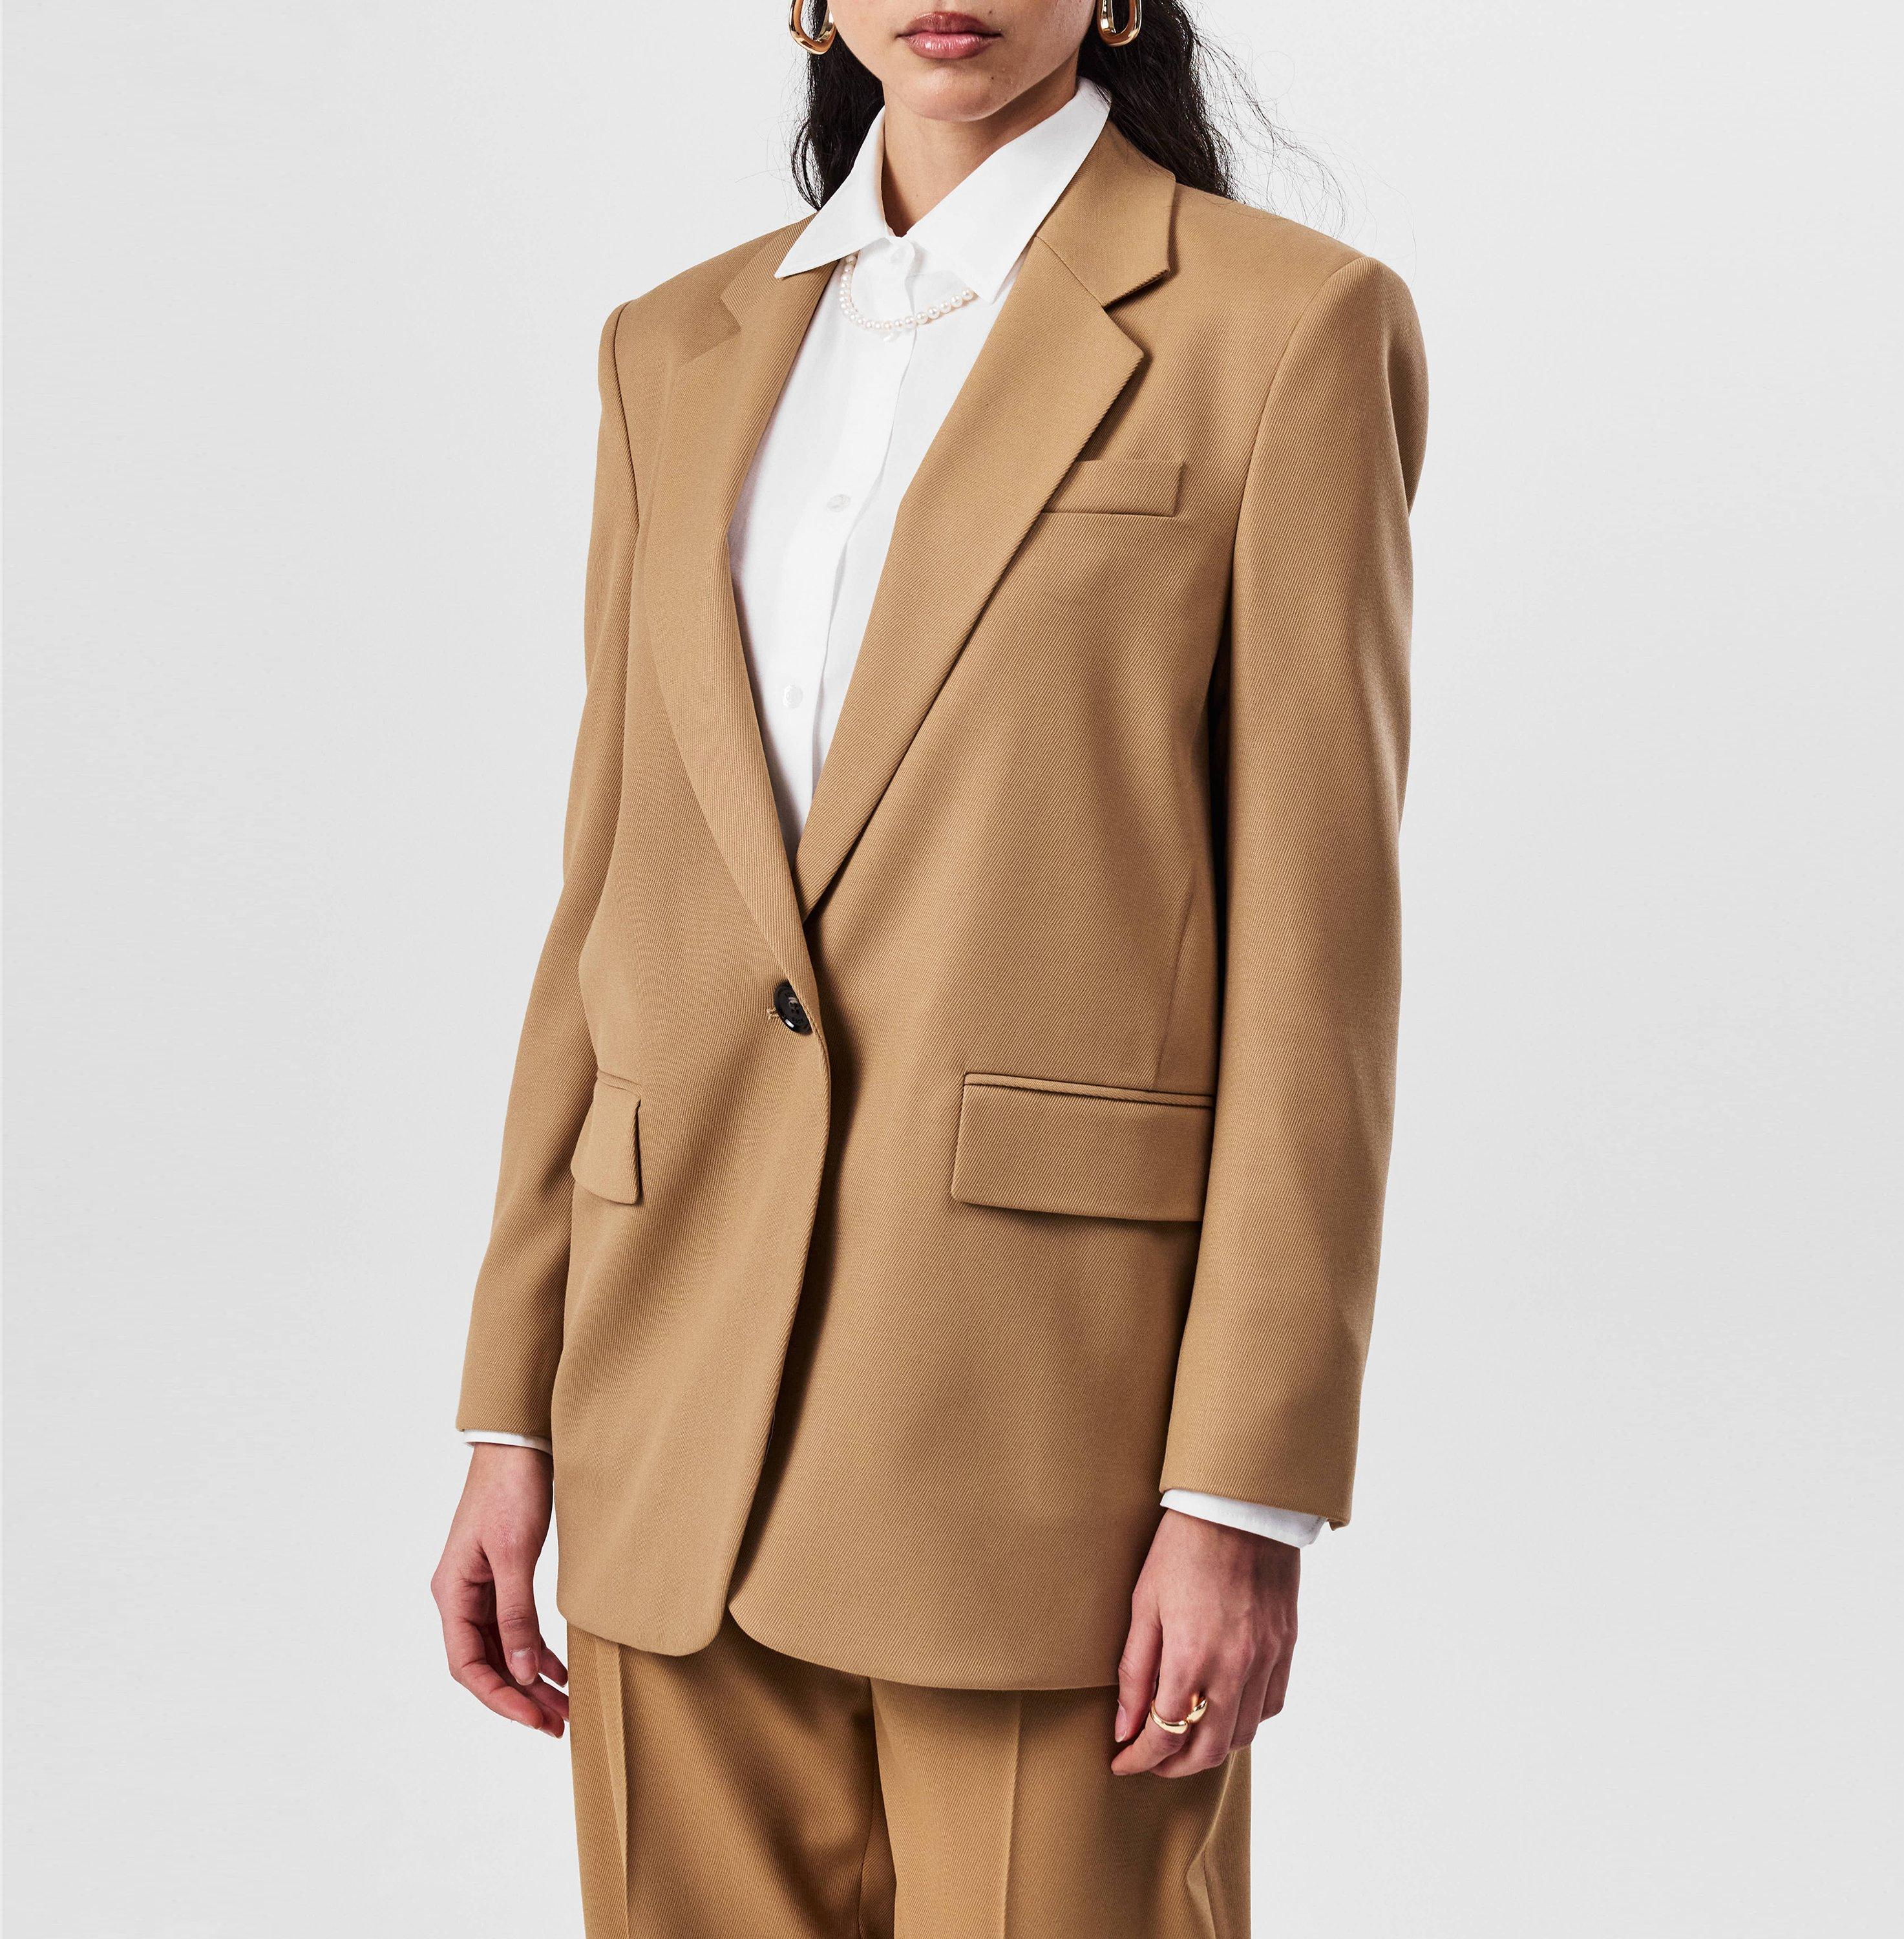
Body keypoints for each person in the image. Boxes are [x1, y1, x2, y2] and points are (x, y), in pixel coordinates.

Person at [432, 2, 1426, 1931]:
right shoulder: (669, 348)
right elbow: (611, 898)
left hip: (1053, 1448)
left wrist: (1242, 1489)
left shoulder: (1285, 327)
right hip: (667, 1413)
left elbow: (1322, 955)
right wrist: (509, 1407)